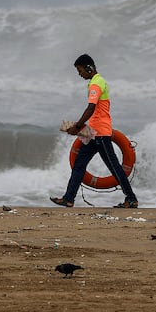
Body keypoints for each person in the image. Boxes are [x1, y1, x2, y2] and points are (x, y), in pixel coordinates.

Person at [51, 54, 139, 209]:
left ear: (89, 68)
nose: (79, 74)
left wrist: (77, 126)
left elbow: (91, 108)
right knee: (79, 165)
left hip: (101, 134)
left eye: (80, 70)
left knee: (114, 167)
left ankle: (131, 199)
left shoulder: (96, 84)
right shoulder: (96, 82)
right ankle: (68, 198)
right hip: (93, 133)